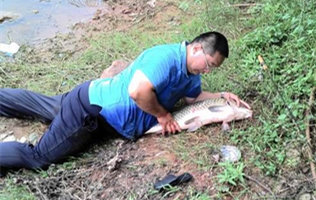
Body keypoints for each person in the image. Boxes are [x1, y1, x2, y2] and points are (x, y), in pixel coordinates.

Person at [0, 31, 250, 174]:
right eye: (208, 64)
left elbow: (194, 98)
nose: (207, 71)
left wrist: (221, 96)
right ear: (196, 49)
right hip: (93, 112)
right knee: (39, 158)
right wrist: (163, 116)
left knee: (51, 107)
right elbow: (137, 91)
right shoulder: (165, 58)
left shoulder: (190, 74)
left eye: (212, 69)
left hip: (90, 93)